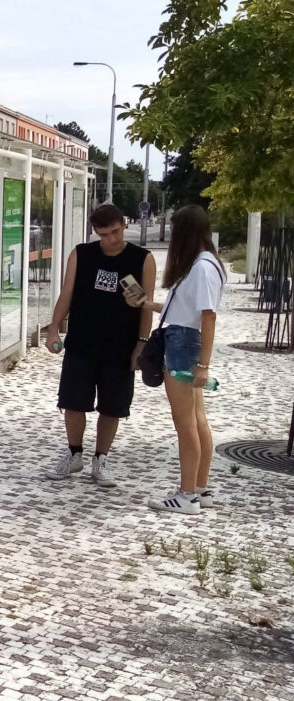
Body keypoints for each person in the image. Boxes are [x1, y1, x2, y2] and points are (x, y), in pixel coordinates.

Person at [43, 203, 155, 488]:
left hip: (121, 344)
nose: (110, 240)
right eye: (103, 234)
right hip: (82, 341)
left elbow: (145, 305)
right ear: (95, 232)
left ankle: (101, 458)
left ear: (124, 225)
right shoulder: (82, 254)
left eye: (115, 232)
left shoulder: (141, 259)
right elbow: (66, 293)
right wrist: (54, 328)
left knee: (113, 406)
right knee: (72, 401)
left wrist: (141, 344)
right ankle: (73, 453)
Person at [141, 205, 226, 515]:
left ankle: (186, 493)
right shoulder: (203, 264)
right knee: (196, 419)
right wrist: (147, 304)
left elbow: (208, 316)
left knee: (185, 422)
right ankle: (199, 489)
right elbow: (185, 309)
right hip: (183, 338)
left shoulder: (201, 268)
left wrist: (204, 365)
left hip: (183, 343)